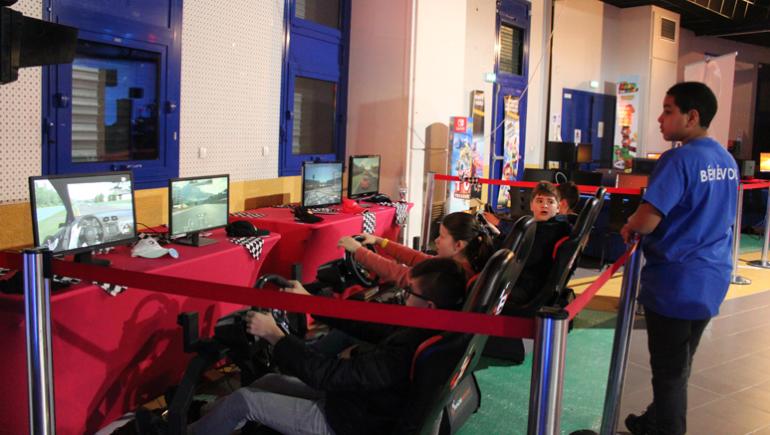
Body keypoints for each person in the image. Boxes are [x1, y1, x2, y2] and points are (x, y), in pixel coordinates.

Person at [187, 257, 468, 435]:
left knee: (245, 401)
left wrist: (275, 336)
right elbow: (366, 325)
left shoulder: (405, 352)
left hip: (348, 424)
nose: (403, 296)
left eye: (409, 292)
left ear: (429, 306)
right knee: (268, 380)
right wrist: (311, 302)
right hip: (356, 404)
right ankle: (204, 415)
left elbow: (327, 375)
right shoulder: (424, 328)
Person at [620, 82, 738, 435]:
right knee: (680, 362)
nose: (660, 118)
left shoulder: (679, 159)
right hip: (712, 278)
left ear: (692, 116)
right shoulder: (726, 160)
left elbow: (647, 220)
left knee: (669, 373)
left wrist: (629, 224)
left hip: (675, 281)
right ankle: (653, 421)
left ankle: (669, 429)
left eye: (668, 110)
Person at [338, 211, 494, 288]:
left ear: (458, 245)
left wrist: (359, 251)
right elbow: (418, 259)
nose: (436, 241)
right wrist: (379, 241)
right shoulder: (461, 265)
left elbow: (399, 274)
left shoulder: (449, 275)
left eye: (441, 237)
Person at [503, 181, 572, 310]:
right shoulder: (560, 226)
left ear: (558, 207)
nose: (544, 205)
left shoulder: (546, 231)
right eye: (540, 201)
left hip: (526, 287)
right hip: (532, 285)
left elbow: (527, 260)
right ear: (531, 205)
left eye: (550, 202)